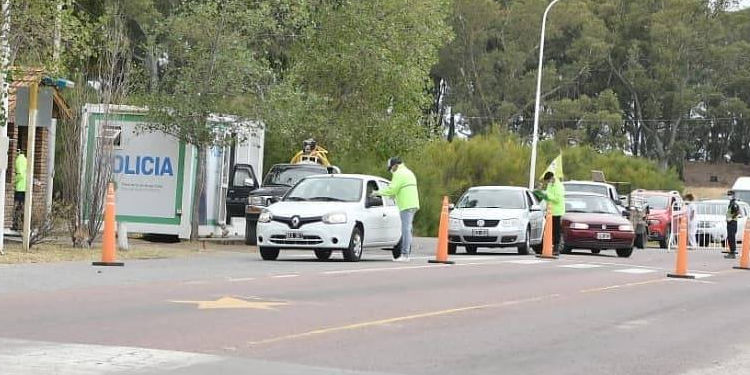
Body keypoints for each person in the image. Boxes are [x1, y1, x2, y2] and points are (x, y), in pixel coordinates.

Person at [374, 157, 419, 262]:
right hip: (412, 204)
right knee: (408, 229)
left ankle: (405, 254)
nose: (391, 171)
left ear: (395, 165)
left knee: (405, 230)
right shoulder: (408, 172)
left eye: (391, 168)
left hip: (406, 204)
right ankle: (406, 253)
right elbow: (399, 189)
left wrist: (376, 192)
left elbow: (392, 189)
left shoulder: (399, 173)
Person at [537, 171, 566, 255]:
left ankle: (556, 248)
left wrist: (546, 196)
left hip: (557, 211)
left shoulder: (559, 186)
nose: (547, 183)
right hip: (549, 211)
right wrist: (542, 194)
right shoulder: (550, 185)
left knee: (556, 230)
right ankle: (546, 246)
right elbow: (548, 196)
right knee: (548, 230)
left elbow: (557, 199)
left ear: (551, 178)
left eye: (548, 181)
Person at [13, 149, 27, 231]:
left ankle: (15, 224)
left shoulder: (18, 160)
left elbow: (20, 174)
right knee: (22, 206)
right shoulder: (25, 160)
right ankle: (23, 224)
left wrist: (14, 180)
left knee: (17, 206)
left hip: (19, 187)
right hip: (25, 187)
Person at [726, 190, 740, 259]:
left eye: (730, 195)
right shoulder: (731, 203)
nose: (729, 196)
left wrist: (731, 218)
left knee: (731, 238)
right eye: (728, 194)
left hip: (732, 222)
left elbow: (737, 212)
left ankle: (733, 253)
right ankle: (731, 252)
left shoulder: (734, 203)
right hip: (730, 223)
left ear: (733, 195)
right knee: (730, 237)